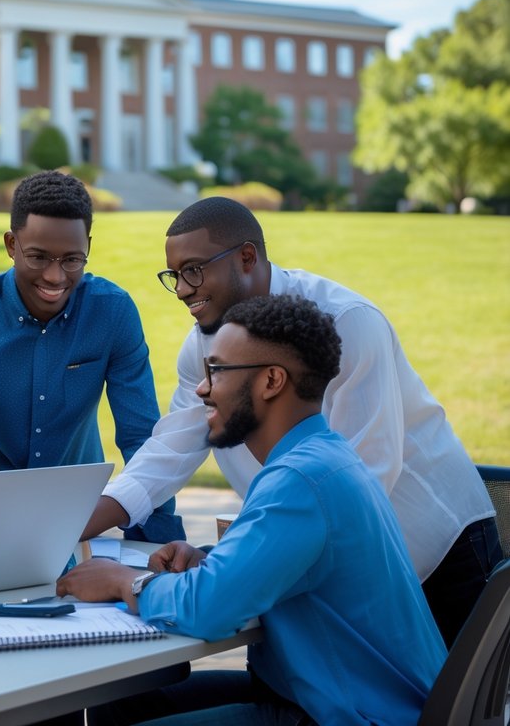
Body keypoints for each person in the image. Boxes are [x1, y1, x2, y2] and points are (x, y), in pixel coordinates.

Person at [87, 196, 499, 646]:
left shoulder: (348, 324)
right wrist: (67, 527)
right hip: (312, 554)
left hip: (436, 545)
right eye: (176, 276)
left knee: (447, 704)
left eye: (194, 270)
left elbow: (365, 479)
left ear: (247, 257)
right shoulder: (205, 345)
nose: (183, 289)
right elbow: (172, 448)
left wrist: (242, 559)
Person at [59, 294, 446, 725]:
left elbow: (210, 611)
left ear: (271, 381)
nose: (203, 389)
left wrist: (126, 582)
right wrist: (211, 560)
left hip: (354, 713)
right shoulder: (323, 458)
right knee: (125, 696)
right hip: (335, 693)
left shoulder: (300, 480)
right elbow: (277, 569)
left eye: (217, 371)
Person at [0, 170, 183, 543]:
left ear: (88, 246)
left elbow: (140, 439)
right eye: (38, 257)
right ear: (11, 244)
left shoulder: (113, 313)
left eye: (72, 259)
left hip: (83, 511)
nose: (55, 277)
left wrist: (160, 541)